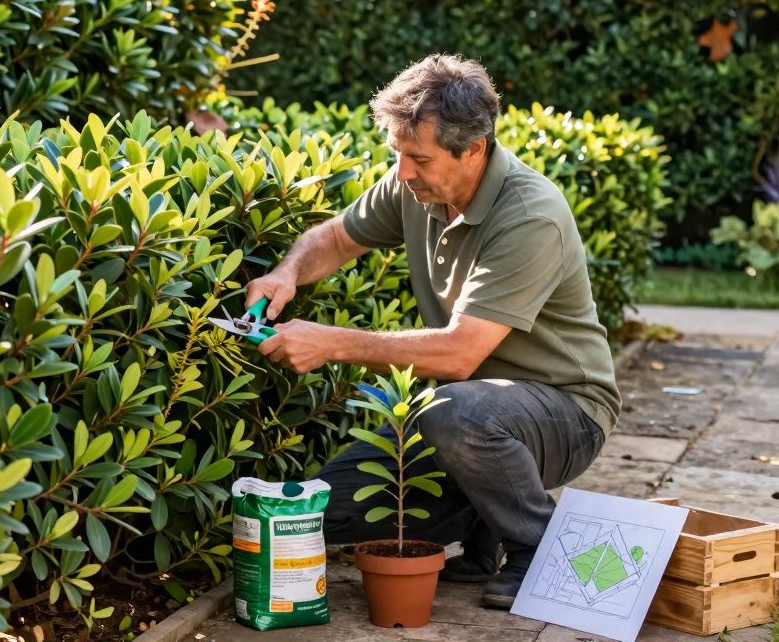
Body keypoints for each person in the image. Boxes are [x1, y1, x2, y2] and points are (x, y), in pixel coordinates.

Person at [245, 54, 619, 610]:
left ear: (474, 149)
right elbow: (337, 238)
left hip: (566, 412)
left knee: (455, 412)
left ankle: (539, 548)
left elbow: (460, 354)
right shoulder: (416, 187)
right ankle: (480, 524)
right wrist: (287, 272)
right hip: (463, 416)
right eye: (398, 153)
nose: (403, 172)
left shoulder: (530, 214)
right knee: (327, 513)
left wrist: (329, 342)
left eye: (418, 158)